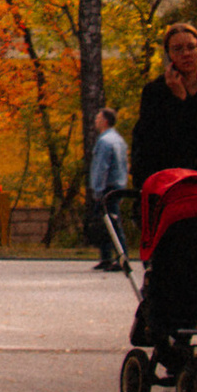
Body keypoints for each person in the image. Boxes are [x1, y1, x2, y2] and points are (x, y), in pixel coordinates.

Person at [129, 21, 197, 194]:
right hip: (166, 188)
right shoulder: (155, 93)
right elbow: (150, 146)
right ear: (169, 55)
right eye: (178, 49)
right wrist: (178, 101)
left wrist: (184, 101)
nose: (186, 54)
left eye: (191, 47)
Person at [83, 105, 131, 272]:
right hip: (117, 185)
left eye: (97, 118)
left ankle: (120, 258)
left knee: (111, 223)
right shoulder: (119, 140)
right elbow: (125, 165)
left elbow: (101, 167)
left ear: (105, 121)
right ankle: (106, 257)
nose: (95, 121)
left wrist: (97, 189)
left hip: (106, 187)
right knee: (107, 222)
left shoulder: (104, 141)